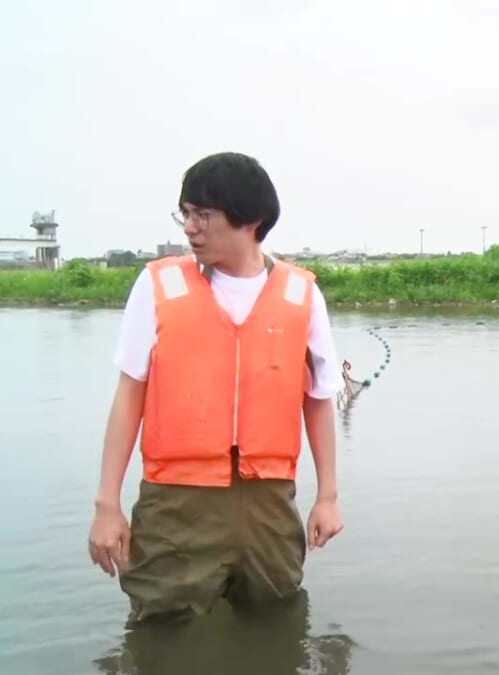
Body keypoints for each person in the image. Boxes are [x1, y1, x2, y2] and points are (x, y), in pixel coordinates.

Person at [86, 151, 345, 625]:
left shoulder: (301, 294)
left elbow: (319, 398)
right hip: (175, 505)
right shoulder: (158, 285)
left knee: (274, 622)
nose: (189, 227)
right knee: (163, 631)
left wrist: (327, 496)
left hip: (268, 502)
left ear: (252, 221)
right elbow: (129, 395)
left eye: (203, 215)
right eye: (184, 213)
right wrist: (108, 504)